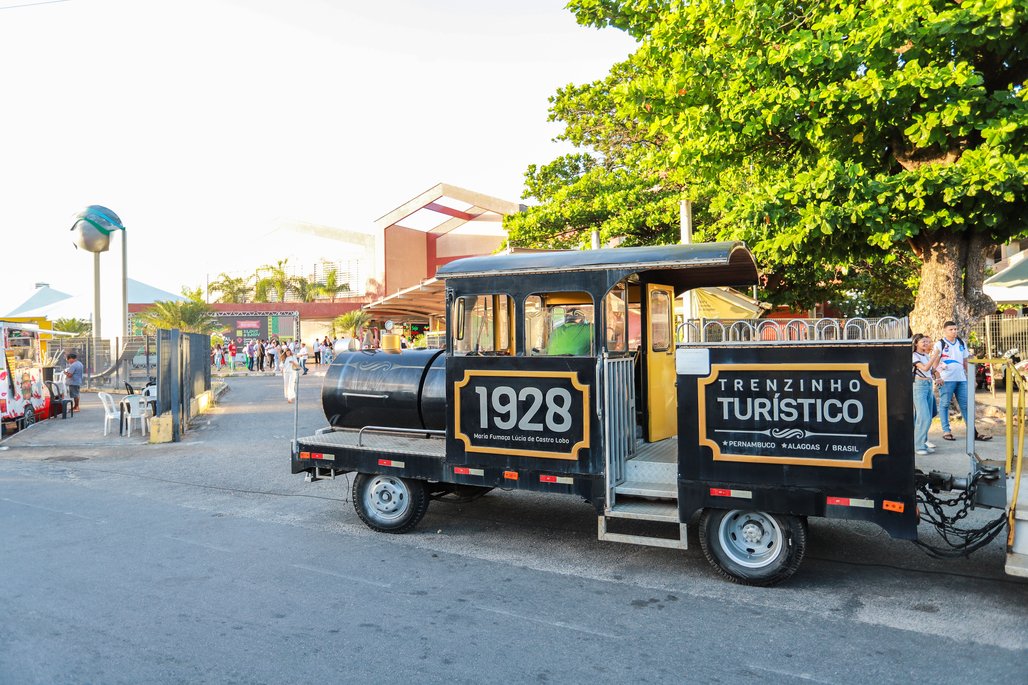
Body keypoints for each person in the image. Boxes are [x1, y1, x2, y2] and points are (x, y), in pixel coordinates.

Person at [934, 320, 991, 442]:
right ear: (945, 330)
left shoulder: (961, 343)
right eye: (951, 329)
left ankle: (973, 432)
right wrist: (938, 377)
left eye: (955, 329)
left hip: (961, 379)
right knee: (944, 404)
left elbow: (966, 362)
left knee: (966, 405)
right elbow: (935, 362)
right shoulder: (940, 344)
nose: (954, 331)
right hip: (946, 380)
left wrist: (972, 378)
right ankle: (946, 431)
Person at [912, 333, 941, 455]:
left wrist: (937, 375)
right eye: (923, 342)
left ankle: (923, 442)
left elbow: (931, 370)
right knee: (923, 417)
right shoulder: (913, 356)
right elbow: (924, 368)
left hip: (928, 386)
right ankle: (918, 446)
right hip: (919, 386)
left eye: (927, 342)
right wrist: (935, 356)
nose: (926, 344)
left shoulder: (925, 355)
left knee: (928, 417)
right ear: (916, 343)